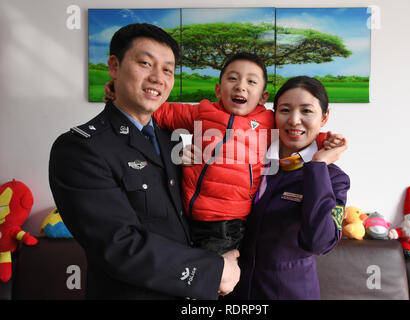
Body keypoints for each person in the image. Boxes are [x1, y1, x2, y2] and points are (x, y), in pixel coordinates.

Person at [48, 23, 240, 300]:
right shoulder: (81, 149)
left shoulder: (174, 141)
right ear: (114, 67)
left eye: (167, 70)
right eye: (145, 63)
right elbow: (119, 247)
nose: (158, 78)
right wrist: (215, 270)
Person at [104, 53, 339, 256]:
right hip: (185, 214)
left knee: (207, 280)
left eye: (251, 81)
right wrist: (122, 95)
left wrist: (324, 141)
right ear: (218, 89)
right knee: (176, 271)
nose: (241, 86)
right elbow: (161, 112)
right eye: (232, 79)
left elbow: (297, 133)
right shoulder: (201, 112)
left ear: (263, 97)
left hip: (227, 223)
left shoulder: (267, 121)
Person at [228, 76, 350, 300]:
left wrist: (317, 166)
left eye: (306, 111)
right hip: (233, 290)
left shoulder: (333, 179)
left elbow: (319, 242)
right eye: (285, 110)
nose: (294, 120)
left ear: (324, 117)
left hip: (289, 292)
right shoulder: (251, 159)